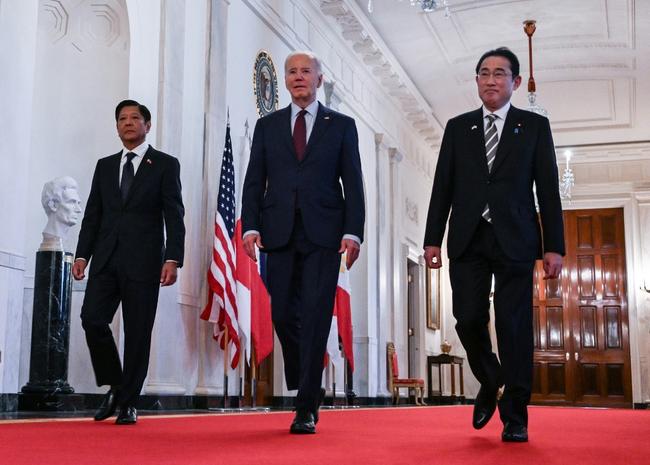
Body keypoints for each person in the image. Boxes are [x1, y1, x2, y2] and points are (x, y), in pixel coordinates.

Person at [423, 47, 565, 442]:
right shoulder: (458, 128)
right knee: (467, 316)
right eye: (484, 73)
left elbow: (548, 190)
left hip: (516, 239)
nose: (490, 79)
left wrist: (554, 245)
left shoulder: (534, 127)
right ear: (477, 80)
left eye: (500, 73)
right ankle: (491, 377)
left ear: (515, 82)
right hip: (468, 236)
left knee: (514, 325)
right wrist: (432, 239)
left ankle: (516, 414)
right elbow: (442, 188)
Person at [241, 51, 365, 434]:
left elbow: (353, 181)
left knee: (314, 315)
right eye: (292, 72)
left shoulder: (341, 125)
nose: (298, 77)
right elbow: (253, 179)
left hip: (324, 235)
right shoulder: (268, 126)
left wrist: (352, 231)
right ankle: (304, 373)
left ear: (319, 79)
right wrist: (250, 226)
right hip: (278, 233)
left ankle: (306, 405)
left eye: (305, 71)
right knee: (282, 315)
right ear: (286, 79)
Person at [72, 99, 185, 425]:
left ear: (147, 125)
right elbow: (93, 216)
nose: (128, 123)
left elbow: (174, 215)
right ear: (117, 126)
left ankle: (129, 403)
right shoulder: (105, 166)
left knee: (138, 333)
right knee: (92, 318)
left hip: (145, 261)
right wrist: (82, 255)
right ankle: (117, 383)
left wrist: (172, 258)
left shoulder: (164, 164)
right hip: (106, 260)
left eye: (135, 118)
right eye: (122, 118)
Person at [40, 176, 83, 249]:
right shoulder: (51, 239)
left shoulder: (63, 242)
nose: (79, 209)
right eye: (72, 202)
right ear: (53, 205)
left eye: (78, 203)